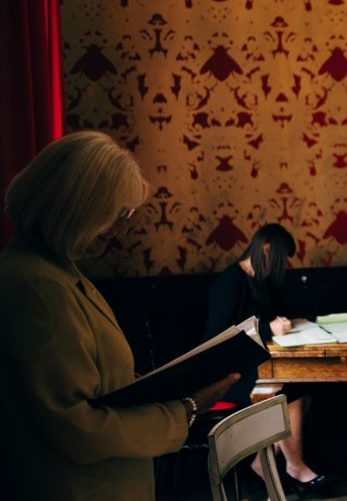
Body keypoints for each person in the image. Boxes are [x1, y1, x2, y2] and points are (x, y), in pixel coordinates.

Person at [0, 131, 239, 501]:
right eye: (120, 215)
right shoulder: (36, 286)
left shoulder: (56, 271)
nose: (123, 229)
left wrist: (172, 384)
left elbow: (98, 383)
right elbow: (76, 428)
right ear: (78, 207)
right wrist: (185, 410)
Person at [205, 222, 327, 495]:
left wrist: (293, 321)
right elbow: (217, 339)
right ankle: (295, 466)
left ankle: (261, 462)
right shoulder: (228, 283)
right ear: (267, 249)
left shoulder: (263, 280)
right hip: (229, 374)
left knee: (302, 392)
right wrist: (267, 329)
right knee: (288, 394)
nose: (282, 265)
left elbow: (282, 312)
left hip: (259, 366)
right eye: (281, 258)